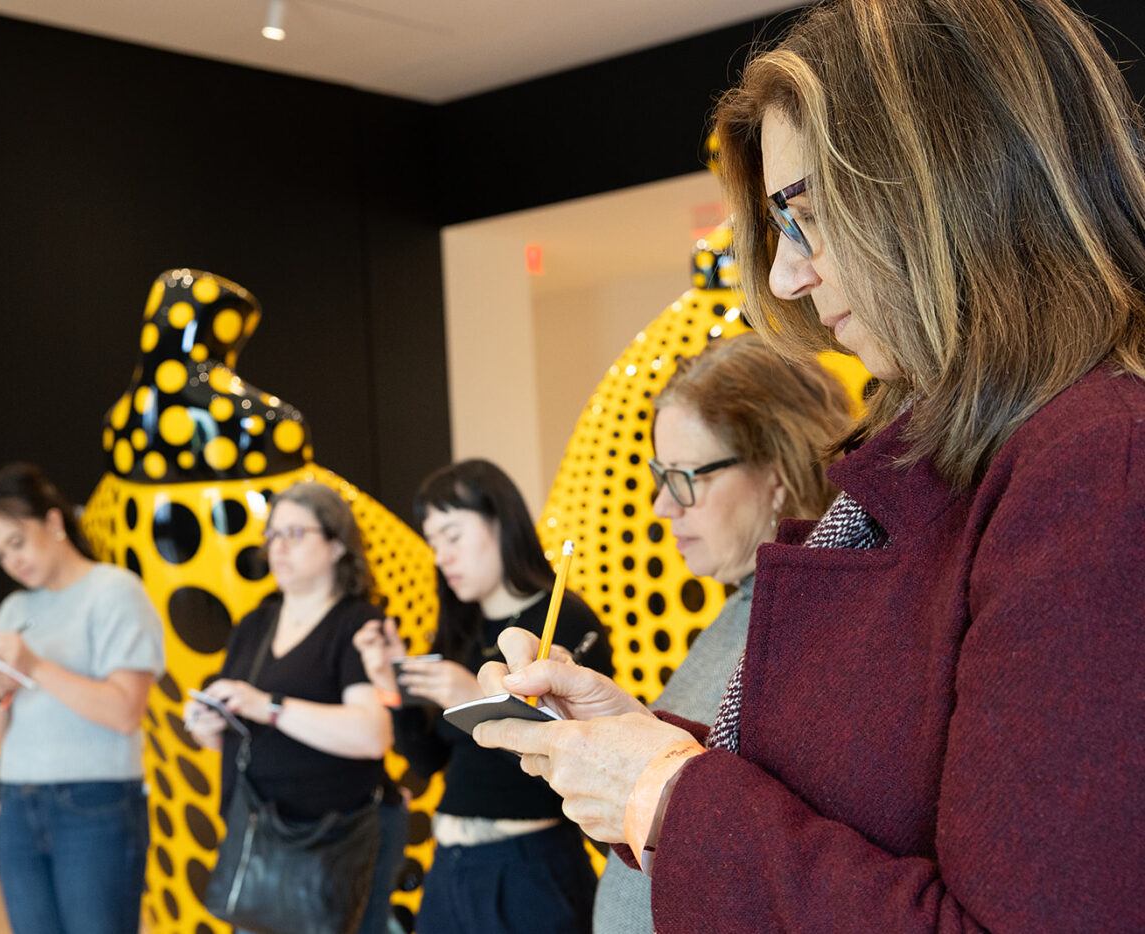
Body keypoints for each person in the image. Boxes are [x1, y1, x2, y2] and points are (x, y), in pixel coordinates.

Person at [472, 1, 1145, 931]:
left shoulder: (1097, 466)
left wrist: (669, 798)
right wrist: (641, 748)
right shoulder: (967, 449)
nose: (789, 278)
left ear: (943, 190)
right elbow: (872, 802)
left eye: (810, 218)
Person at [592, 333, 849, 933]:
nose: (661, 505)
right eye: (661, 476)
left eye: (684, 478)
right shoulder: (743, 606)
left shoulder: (815, 625)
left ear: (776, 473)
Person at [353, 459, 614, 933]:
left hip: (529, 864)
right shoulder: (459, 631)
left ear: (501, 521)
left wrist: (476, 694)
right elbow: (427, 759)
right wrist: (395, 691)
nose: (442, 557)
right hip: (452, 863)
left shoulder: (566, 621)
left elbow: (583, 762)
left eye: (453, 536)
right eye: (434, 543)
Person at [184, 481, 392, 933]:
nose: (278, 548)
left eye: (295, 534)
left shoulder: (357, 624)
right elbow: (232, 735)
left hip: (327, 837)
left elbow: (371, 734)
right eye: (272, 536)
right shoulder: (255, 624)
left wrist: (268, 706)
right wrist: (207, 723)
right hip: (255, 832)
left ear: (337, 544)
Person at [0, 462, 163, 934]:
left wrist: (35, 666)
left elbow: (125, 712)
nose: (12, 561)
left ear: (54, 522)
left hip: (95, 801)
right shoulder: (14, 608)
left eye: (17, 542)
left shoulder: (114, 591)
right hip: (17, 800)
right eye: (0, 554)